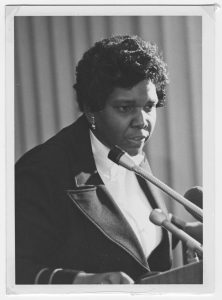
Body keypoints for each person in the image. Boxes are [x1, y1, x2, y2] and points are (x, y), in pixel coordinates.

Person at [15, 35, 200, 285]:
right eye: (125, 108)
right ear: (91, 109)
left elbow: (132, 237)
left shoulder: (129, 149)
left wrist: (185, 231)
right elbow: (13, 269)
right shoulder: (41, 171)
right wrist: (80, 282)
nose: (142, 121)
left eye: (149, 106)